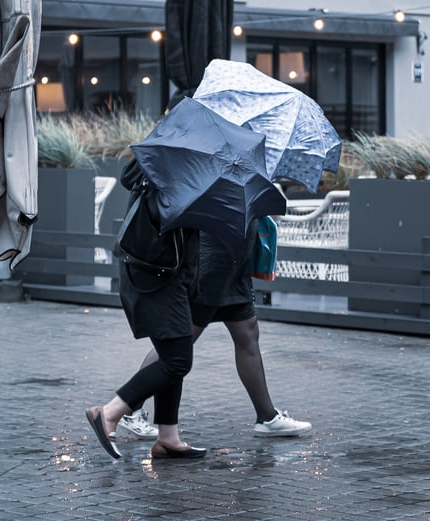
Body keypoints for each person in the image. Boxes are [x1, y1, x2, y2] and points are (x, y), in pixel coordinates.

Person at [117, 218, 312, 439]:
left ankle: (267, 417)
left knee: (247, 332)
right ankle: (128, 410)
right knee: (178, 343)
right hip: (214, 265)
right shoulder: (216, 182)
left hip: (235, 265)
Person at [85, 159, 206, 460]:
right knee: (178, 360)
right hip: (158, 276)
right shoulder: (173, 164)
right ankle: (110, 412)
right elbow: (171, 213)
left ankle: (168, 437)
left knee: (171, 352)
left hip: (155, 273)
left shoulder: (158, 158)